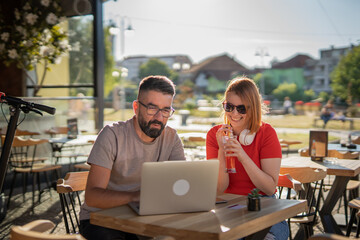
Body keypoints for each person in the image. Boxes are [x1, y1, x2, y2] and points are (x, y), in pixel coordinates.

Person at [79, 75, 185, 240]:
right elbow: (92, 197)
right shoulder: (112, 135)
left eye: (165, 110)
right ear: (136, 107)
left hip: (145, 219)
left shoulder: (171, 138)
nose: (159, 117)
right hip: (101, 220)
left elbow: (180, 185)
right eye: (152, 108)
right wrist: (137, 196)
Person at [206, 77, 288, 240]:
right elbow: (220, 188)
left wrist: (242, 156)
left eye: (241, 108)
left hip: (262, 205)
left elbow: (269, 188)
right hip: (227, 208)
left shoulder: (266, 133)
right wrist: (222, 150)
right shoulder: (214, 135)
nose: (234, 114)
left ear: (253, 108)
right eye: (229, 106)